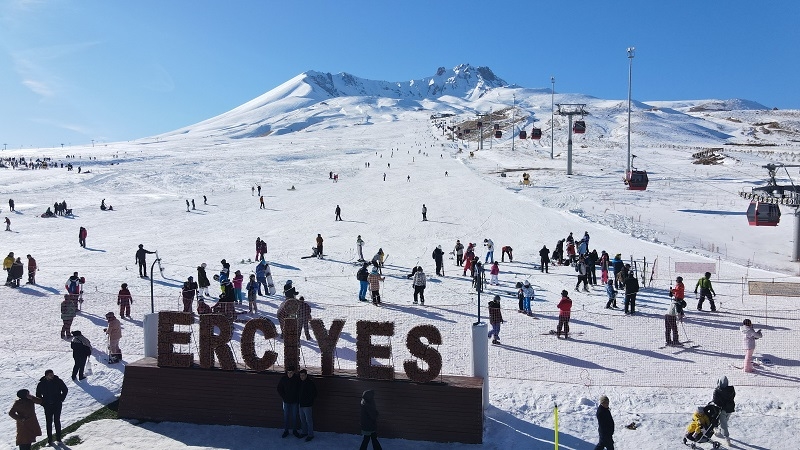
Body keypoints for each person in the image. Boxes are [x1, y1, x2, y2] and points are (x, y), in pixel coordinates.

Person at [35, 369, 68, 446]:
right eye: (50, 375)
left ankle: (59, 439)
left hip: (57, 404)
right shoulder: (41, 384)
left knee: (57, 421)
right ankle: (50, 440)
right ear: (46, 376)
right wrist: (43, 403)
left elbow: (65, 390)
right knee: (49, 422)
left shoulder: (58, 381)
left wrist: (61, 399)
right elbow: (38, 394)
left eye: (52, 374)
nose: (52, 376)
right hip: (47, 406)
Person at [276, 366, 301, 438]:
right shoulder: (283, 379)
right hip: (286, 401)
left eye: (291, 373)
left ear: (293, 373)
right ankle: (286, 430)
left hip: (294, 401)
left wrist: (297, 398)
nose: (289, 374)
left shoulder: (297, 379)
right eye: (288, 373)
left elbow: (300, 390)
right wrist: (284, 396)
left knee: (294, 416)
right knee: (286, 416)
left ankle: (294, 430)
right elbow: (279, 388)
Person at [712, 376, 735, 447]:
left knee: (723, 424)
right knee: (725, 421)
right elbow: (733, 396)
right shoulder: (731, 389)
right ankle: (718, 431)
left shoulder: (717, 390)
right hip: (730, 409)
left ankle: (727, 439)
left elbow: (715, 401)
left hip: (722, 410)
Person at [298, 369, 317, 442]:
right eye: (300, 376)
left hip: (307, 405)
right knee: (302, 420)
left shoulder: (310, 383)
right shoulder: (300, 382)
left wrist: (309, 401)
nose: (301, 377)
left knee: (308, 420)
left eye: (303, 375)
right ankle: (304, 432)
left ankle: (310, 434)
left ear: (306, 375)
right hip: (301, 404)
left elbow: (314, 394)